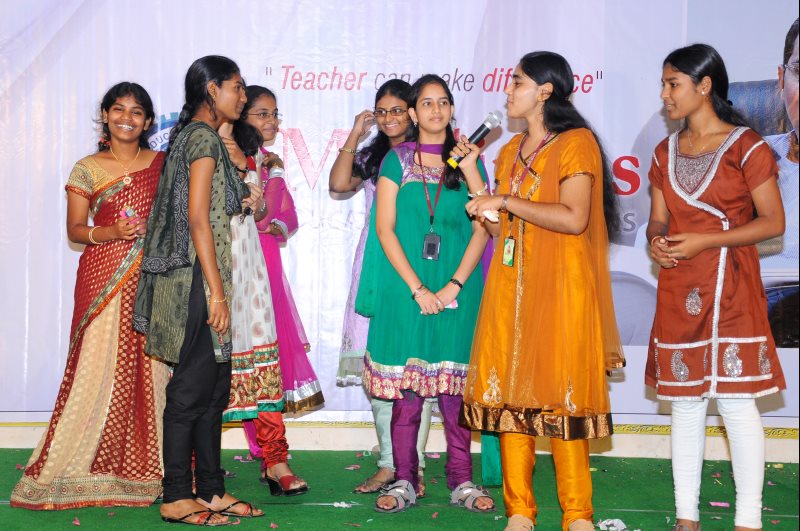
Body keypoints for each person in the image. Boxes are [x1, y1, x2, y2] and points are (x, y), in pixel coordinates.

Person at [461, 51, 624, 531]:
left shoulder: (576, 143)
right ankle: (520, 511)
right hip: (512, 288)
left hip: (562, 288)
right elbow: (500, 230)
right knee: (513, 398)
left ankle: (577, 514)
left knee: (563, 395)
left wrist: (505, 199)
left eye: (517, 82)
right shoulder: (510, 150)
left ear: (545, 91)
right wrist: (474, 176)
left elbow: (574, 218)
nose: (508, 91)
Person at [645, 44, 786, 531]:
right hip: (679, 287)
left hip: (732, 285)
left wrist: (707, 240)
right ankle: (687, 517)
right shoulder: (664, 152)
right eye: (664, 84)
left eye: (673, 84)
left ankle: (748, 520)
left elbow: (773, 222)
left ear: (704, 86)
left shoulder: (748, 147)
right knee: (685, 404)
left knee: (736, 403)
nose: (665, 94)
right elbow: (658, 219)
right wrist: (657, 242)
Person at [10, 82, 169, 510]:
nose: (126, 118)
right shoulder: (87, 168)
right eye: (118, 109)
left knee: (151, 368)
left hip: (152, 277)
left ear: (148, 122)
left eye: (136, 112)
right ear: (104, 115)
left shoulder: (163, 164)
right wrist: (112, 231)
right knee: (96, 364)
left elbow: (179, 218)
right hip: (102, 276)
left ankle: (150, 467)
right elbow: (75, 231)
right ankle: (81, 464)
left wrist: (154, 231)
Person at [134, 55, 263, 525]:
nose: (242, 97)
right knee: (191, 390)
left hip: (205, 278)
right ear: (212, 89)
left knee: (214, 391)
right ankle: (175, 495)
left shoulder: (196, 135)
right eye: (237, 87)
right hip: (196, 280)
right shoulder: (203, 138)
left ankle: (210, 490)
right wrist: (216, 294)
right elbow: (197, 220)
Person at [356, 74, 495, 513]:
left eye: (444, 102)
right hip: (406, 292)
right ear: (414, 113)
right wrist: (418, 289)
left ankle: (462, 481)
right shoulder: (397, 160)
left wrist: (453, 285)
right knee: (408, 394)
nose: (437, 110)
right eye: (427, 103)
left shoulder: (469, 160)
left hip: (459, 289)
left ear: (452, 109)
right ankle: (404, 479)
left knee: (455, 394)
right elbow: (385, 229)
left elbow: (485, 227)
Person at [329, 79, 436, 495]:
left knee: (414, 370)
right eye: (382, 111)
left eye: (397, 110)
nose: (389, 118)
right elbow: (339, 184)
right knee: (378, 367)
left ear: (413, 112)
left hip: (418, 265)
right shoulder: (375, 156)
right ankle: (389, 463)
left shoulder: (430, 154)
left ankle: (413, 466)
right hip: (375, 263)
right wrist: (356, 135)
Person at [230, 84, 321, 496]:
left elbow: (287, 217)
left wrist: (268, 211)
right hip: (227, 267)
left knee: (264, 362)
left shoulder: (268, 161)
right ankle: (194, 461)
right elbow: (255, 216)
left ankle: (274, 459)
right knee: (216, 364)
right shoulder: (225, 156)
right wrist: (267, 199)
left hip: (264, 269)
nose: (272, 122)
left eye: (274, 114)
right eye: (262, 114)